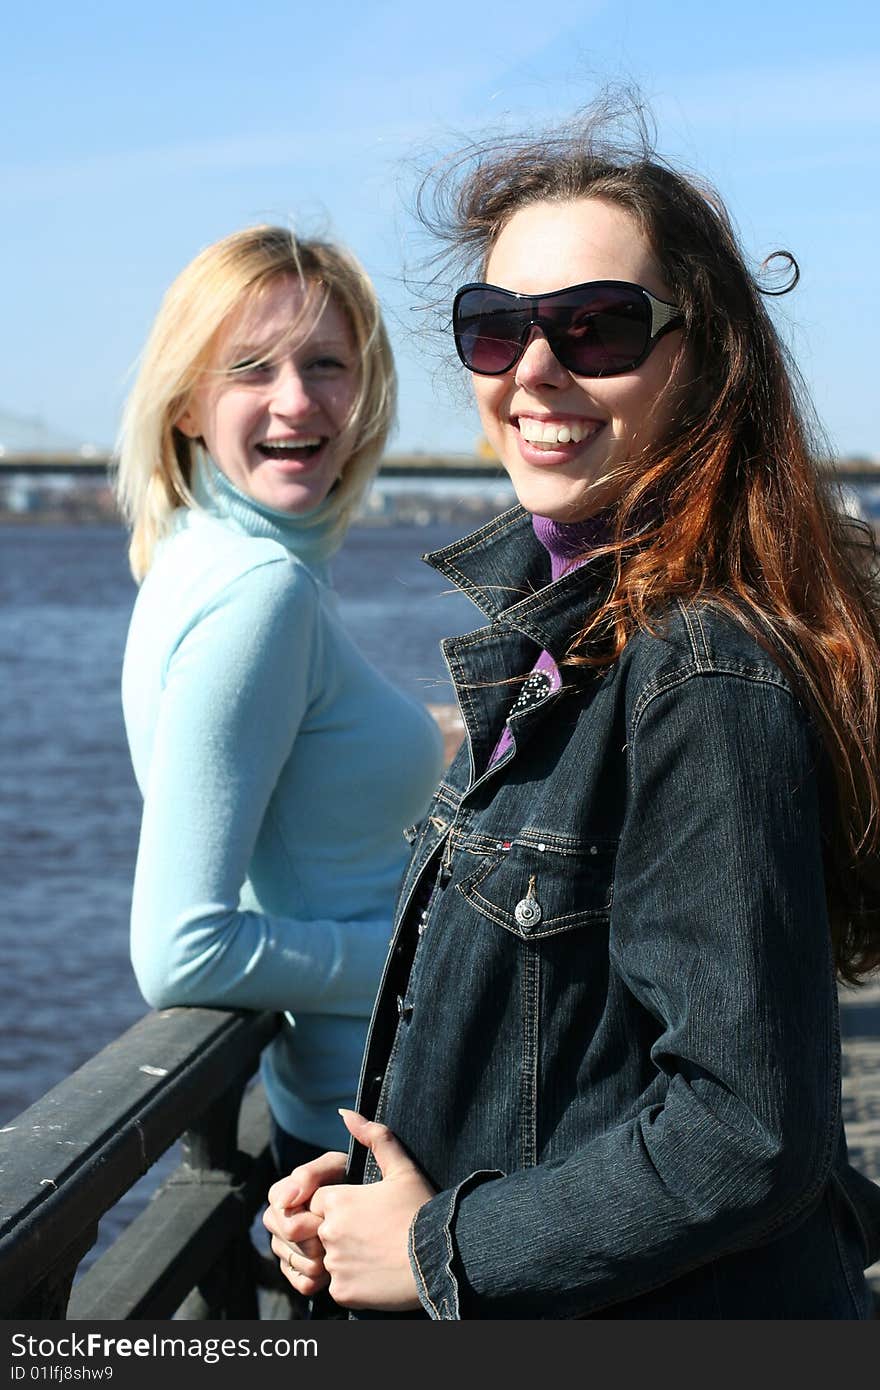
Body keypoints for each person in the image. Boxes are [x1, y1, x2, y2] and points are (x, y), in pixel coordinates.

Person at [263, 107, 880, 1318]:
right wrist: (357, 1208)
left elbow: (745, 1130)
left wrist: (441, 1248)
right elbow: (564, 1053)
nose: (534, 372)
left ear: (700, 361)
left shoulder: (699, 669)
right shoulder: (571, 635)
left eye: (593, 327)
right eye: (495, 330)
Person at [116, 227, 445, 1238]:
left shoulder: (204, 558)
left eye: (328, 365)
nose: (298, 401)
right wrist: (422, 953)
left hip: (358, 1116)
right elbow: (181, 951)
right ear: (184, 402)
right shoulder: (259, 594)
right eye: (251, 368)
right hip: (394, 1133)